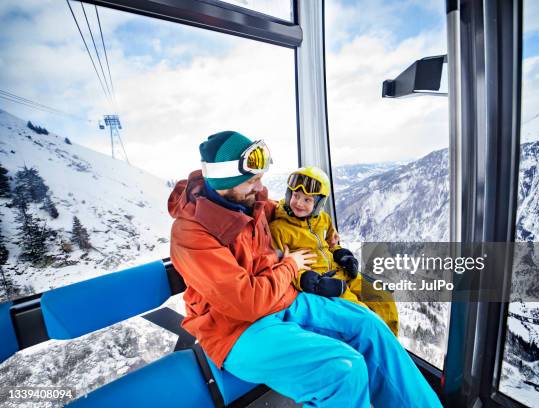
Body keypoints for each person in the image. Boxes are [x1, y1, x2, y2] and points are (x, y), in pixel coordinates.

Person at [168, 130, 442, 407]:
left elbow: (295, 213)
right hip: (236, 329)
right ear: (225, 181)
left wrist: (329, 238)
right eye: (252, 180)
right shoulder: (192, 233)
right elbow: (246, 302)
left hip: (283, 300)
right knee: (342, 371)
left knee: (369, 325)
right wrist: (290, 266)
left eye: (261, 178)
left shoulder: (252, 202)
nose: (259, 187)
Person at [268, 166, 400, 335]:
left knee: (383, 297)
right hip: (323, 283)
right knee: (365, 316)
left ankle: (391, 346)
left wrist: (342, 255)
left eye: (307, 200)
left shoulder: (323, 219)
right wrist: (312, 282)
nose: (299, 203)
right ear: (289, 194)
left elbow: (331, 244)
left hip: (340, 272)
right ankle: (378, 348)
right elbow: (280, 266)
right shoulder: (279, 229)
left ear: (318, 203)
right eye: (295, 196)